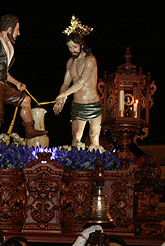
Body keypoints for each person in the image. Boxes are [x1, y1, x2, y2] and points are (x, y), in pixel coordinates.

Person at [0, 14, 47, 143]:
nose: (18, 33)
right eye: (17, 30)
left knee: (25, 100)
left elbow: (4, 72)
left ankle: (29, 130)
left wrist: (16, 83)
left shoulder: (9, 47)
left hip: (3, 85)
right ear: (9, 29)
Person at [54, 16, 102, 150]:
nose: (72, 50)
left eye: (74, 46)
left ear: (81, 45)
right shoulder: (70, 62)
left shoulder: (90, 60)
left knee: (94, 137)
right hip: (77, 105)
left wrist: (64, 95)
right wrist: (61, 98)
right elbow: (65, 84)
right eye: (69, 47)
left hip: (93, 104)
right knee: (76, 137)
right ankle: (74, 165)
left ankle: (95, 167)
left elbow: (82, 82)